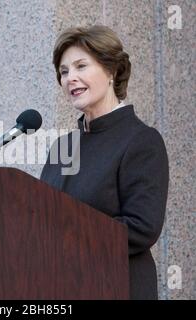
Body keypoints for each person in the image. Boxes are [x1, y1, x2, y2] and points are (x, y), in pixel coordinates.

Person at [40, 25, 169, 300]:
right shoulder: (62, 148)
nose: (70, 78)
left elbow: (142, 227)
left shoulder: (141, 141)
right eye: (64, 72)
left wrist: (67, 237)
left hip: (117, 288)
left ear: (111, 70)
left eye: (81, 66)